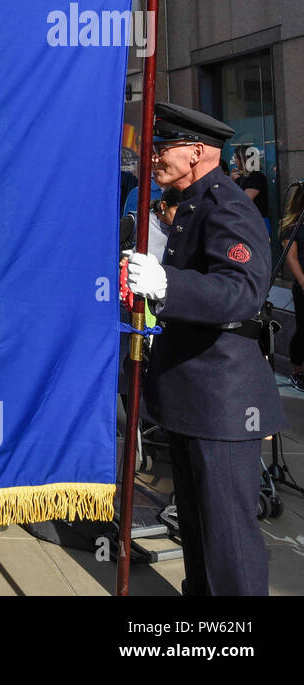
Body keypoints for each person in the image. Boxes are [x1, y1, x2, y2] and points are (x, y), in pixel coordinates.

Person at [124, 101, 286, 595]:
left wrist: (166, 283)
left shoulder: (227, 205)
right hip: (195, 395)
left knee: (226, 540)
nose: (153, 156)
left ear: (196, 152)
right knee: (197, 531)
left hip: (223, 399)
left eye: (162, 147)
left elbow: (241, 290)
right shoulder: (194, 200)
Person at [280, 184, 304, 390]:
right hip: (303, 285)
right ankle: (297, 371)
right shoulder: (293, 225)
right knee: (303, 329)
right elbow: (291, 257)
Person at [230, 144, 271, 235]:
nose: (235, 161)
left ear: (243, 159)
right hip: (244, 221)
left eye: (236, 158)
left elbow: (244, 200)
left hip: (255, 222)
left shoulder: (256, 177)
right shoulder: (241, 177)